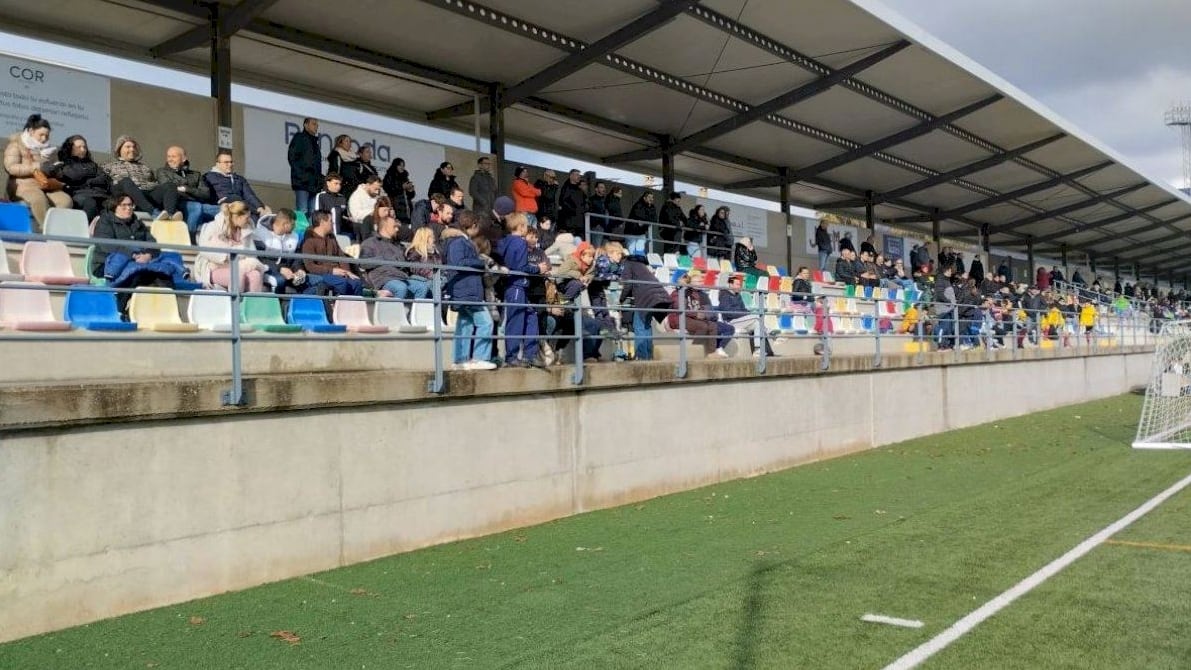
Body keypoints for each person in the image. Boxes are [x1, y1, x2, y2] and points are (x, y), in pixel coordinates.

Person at [91, 195, 181, 315]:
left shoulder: (137, 223)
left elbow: (153, 244)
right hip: (107, 264)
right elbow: (107, 246)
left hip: (140, 262)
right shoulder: (105, 222)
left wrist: (148, 255)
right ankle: (121, 310)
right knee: (136, 275)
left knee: (163, 275)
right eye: (124, 205)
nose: (128, 208)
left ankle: (171, 312)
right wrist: (133, 255)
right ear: (114, 207)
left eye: (130, 205)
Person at [442, 214, 495, 370]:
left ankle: (460, 360)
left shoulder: (459, 242)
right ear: (473, 225)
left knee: (464, 325)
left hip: (465, 290)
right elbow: (459, 263)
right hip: (467, 291)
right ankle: (480, 357)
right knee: (486, 322)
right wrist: (481, 262)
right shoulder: (459, 242)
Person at [496, 213, 550, 367]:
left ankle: (529, 354)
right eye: (526, 226)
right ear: (520, 227)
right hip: (517, 285)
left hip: (512, 286)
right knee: (516, 320)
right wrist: (537, 268)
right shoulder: (519, 243)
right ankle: (512, 356)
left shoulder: (504, 241)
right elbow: (520, 267)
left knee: (531, 315)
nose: (527, 229)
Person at [5, 114, 73, 228]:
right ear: (31, 131)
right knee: (38, 199)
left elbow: (53, 171)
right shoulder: (15, 145)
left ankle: (55, 229)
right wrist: (36, 167)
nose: (44, 138)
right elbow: (11, 167)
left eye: (47, 135)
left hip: (46, 186)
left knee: (65, 200)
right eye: (41, 135)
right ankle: (45, 230)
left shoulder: (49, 150)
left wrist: (56, 170)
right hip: (23, 186)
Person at [103, 135, 181, 221]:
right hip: (125, 199)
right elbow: (107, 186)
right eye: (128, 147)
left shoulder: (145, 167)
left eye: (133, 147)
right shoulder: (109, 166)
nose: (132, 149)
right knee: (126, 181)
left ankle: (169, 216)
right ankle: (154, 213)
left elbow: (154, 183)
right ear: (119, 149)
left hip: (145, 197)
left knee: (169, 185)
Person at [195, 201, 267, 293]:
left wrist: (238, 253)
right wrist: (228, 255)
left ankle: (252, 305)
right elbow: (204, 250)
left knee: (256, 275)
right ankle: (235, 304)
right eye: (246, 218)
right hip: (215, 267)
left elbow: (251, 253)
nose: (249, 220)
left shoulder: (246, 230)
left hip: (238, 265)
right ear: (237, 217)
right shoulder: (213, 226)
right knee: (237, 274)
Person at [618, 238, 670, 361]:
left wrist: (620, 299)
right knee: (646, 326)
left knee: (639, 326)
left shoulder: (627, 264)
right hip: (657, 297)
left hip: (646, 298)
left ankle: (642, 357)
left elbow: (627, 284)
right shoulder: (640, 264)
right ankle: (648, 356)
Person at [41, 134, 109, 224]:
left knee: (113, 205)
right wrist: (47, 159)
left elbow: (104, 178)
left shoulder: (92, 164)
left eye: (84, 147)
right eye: (79, 147)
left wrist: (89, 182)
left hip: (99, 194)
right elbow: (47, 170)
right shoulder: (64, 164)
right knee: (90, 203)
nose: (83, 149)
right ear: (70, 148)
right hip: (78, 195)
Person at [297, 210, 363, 296]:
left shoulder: (331, 237)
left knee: (356, 283)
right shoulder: (309, 241)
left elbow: (341, 256)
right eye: (331, 221)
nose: (333, 223)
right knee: (342, 283)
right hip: (322, 274)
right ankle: (337, 306)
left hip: (338, 272)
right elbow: (310, 266)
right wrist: (332, 271)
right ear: (322, 222)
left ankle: (354, 308)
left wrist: (347, 272)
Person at [669, 270, 731, 358]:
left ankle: (711, 353)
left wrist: (703, 313)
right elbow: (680, 308)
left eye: (687, 278)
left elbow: (698, 307)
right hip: (678, 318)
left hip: (690, 317)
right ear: (678, 280)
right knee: (703, 326)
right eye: (684, 278)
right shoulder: (677, 293)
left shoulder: (692, 293)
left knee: (713, 326)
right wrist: (696, 314)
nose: (686, 280)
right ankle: (693, 351)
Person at [156, 146, 216, 236]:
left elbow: (206, 194)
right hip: (177, 205)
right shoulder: (162, 172)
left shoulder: (196, 174)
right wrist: (195, 193)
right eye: (168, 156)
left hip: (198, 205)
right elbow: (171, 190)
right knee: (197, 207)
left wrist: (187, 189)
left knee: (226, 210)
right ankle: (189, 238)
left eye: (173, 156)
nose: (170, 159)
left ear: (183, 158)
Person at [361, 214, 421, 301]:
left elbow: (405, 262)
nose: (397, 229)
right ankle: (394, 313)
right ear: (385, 227)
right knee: (400, 288)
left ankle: (413, 314)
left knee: (421, 287)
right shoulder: (370, 243)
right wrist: (384, 259)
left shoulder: (397, 245)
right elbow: (363, 263)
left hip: (401, 277)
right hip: (383, 279)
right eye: (394, 227)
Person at [717, 274, 774, 357]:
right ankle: (771, 333)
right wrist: (744, 314)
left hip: (740, 320)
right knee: (757, 317)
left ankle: (757, 350)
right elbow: (728, 313)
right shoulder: (724, 295)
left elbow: (743, 309)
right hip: (731, 322)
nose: (739, 286)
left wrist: (747, 314)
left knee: (757, 324)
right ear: (730, 284)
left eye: (740, 284)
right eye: (737, 284)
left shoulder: (738, 296)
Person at [205, 150, 270, 218]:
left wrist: (260, 207)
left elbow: (250, 195)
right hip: (223, 206)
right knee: (235, 199)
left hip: (242, 206)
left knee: (262, 210)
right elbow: (205, 195)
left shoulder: (239, 179)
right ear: (218, 164)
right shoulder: (209, 177)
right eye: (226, 162)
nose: (230, 165)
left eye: (231, 162)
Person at [254, 208, 305, 294]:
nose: (295, 227)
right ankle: (279, 306)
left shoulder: (294, 236)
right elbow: (259, 259)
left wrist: (298, 269)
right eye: (293, 224)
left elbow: (296, 258)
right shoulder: (260, 234)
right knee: (280, 280)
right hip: (267, 268)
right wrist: (280, 269)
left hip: (288, 270)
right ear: (285, 224)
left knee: (309, 281)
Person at [287, 117, 322, 216]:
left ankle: (310, 232)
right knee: (302, 211)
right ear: (305, 125)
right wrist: (301, 175)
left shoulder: (315, 142)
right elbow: (292, 157)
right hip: (302, 182)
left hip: (314, 184)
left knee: (312, 213)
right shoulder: (300, 137)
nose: (316, 127)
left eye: (317, 125)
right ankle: (302, 232)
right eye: (314, 124)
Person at [404, 226, 440, 303]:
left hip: (435, 279)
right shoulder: (414, 252)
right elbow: (416, 269)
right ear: (424, 238)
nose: (434, 239)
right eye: (431, 236)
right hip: (421, 280)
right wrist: (433, 275)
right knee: (434, 286)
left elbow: (441, 267)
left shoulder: (436, 253)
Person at [382, 157, 415, 222]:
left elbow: (411, 196)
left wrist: (411, 191)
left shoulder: (405, 178)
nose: (402, 167)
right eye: (400, 165)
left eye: (403, 166)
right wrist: (401, 187)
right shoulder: (389, 176)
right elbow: (388, 189)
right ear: (395, 165)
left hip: (407, 210)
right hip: (395, 208)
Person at [557, 169, 587, 236]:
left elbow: (584, 203)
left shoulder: (580, 191)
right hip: (569, 224)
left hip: (580, 224)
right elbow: (564, 202)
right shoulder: (566, 188)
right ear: (571, 176)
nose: (579, 176)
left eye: (579, 175)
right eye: (577, 175)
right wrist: (575, 210)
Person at [587, 181, 609, 246]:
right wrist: (596, 224)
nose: (604, 189)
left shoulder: (606, 200)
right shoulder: (591, 200)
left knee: (605, 249)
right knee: (597, 247)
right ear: (596, 189)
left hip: (606, 228)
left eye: (604, 188)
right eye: (601, 187)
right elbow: (589, 212)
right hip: (597, 227)